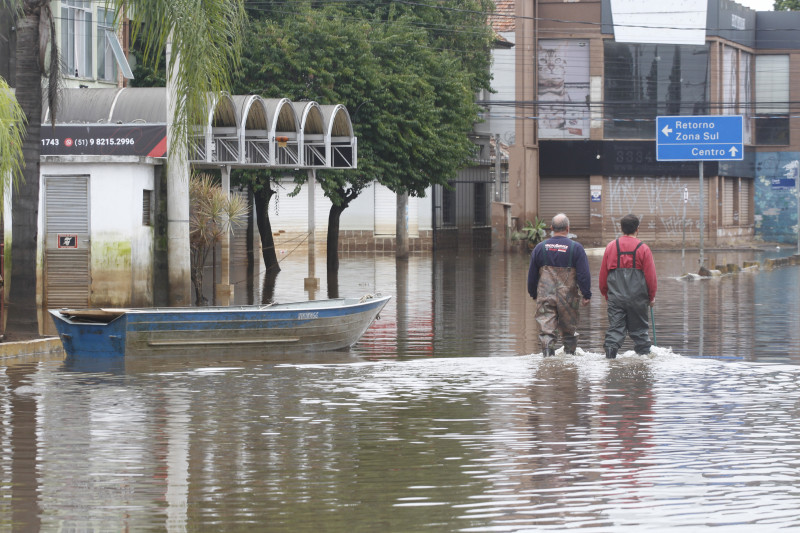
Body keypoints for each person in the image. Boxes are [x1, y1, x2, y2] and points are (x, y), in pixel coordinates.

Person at [527, 213, 591, 357]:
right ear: (568, 228)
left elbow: (532, 275)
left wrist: (532, 292)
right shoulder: (576, 248)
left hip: (545, 295)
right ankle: (569, 361)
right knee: (569, 331)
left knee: (547, 331)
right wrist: (586, 294)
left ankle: (548, 359)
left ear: (551, 228)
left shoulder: (539, 248)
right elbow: (583, 274)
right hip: (568, 296)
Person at [599, 214, 657, 359]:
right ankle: (644, 363)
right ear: (637, 229)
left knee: (615, 330)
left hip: (615, 298)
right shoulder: (643, 248)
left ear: (621, 228)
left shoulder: (611, 247)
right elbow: (651, 277)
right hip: (638, 299)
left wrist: (607, 295)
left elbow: (603, 276)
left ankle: (610, 359)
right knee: (640, 332)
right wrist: (651, 296)